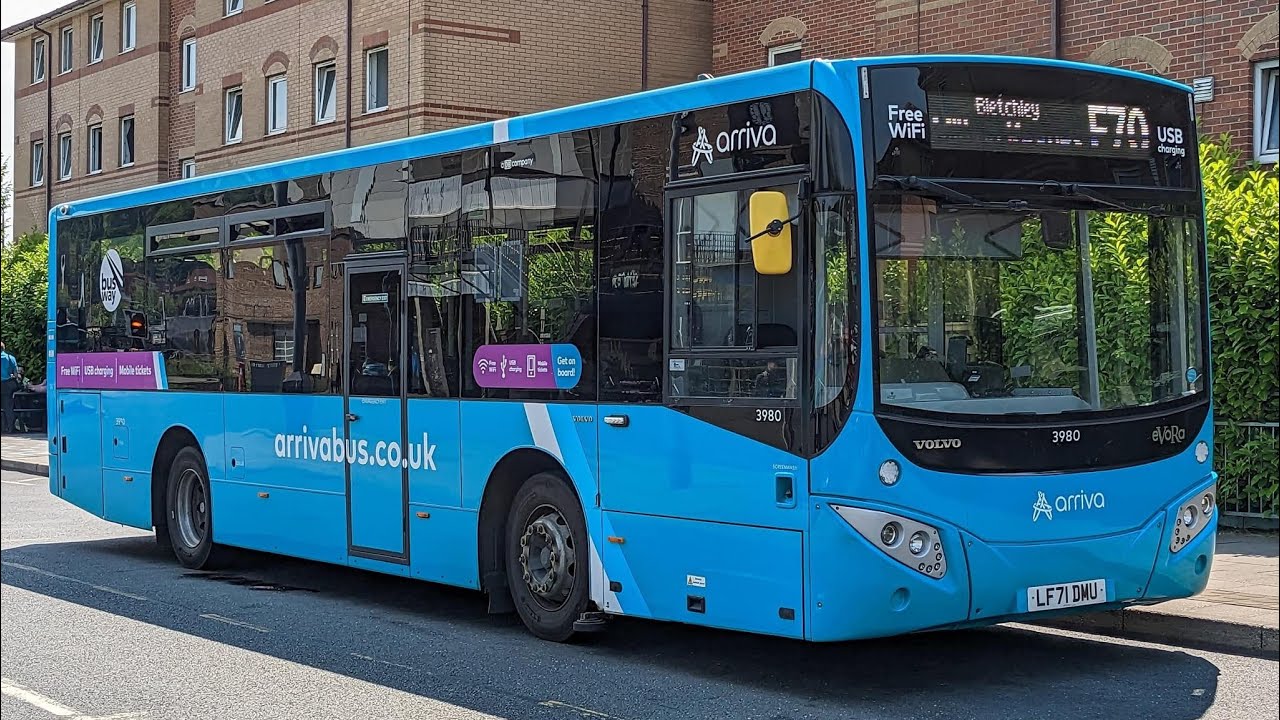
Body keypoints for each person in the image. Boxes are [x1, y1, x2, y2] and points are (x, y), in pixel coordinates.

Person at [0, 340, 20, 434]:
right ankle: (10, 428)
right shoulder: (10, 358)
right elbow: (16, 374)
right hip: (7, 384)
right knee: (8, 407)